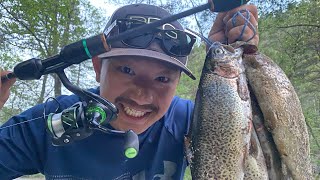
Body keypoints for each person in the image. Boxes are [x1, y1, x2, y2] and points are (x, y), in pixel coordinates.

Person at [0, 3, 258, 179]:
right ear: (98, 65)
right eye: (127, 71)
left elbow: (263, 146)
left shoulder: (191, 119)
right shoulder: (51, 119)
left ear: (177, 81)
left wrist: (245, 62)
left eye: (161, 78)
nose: (143, 95)